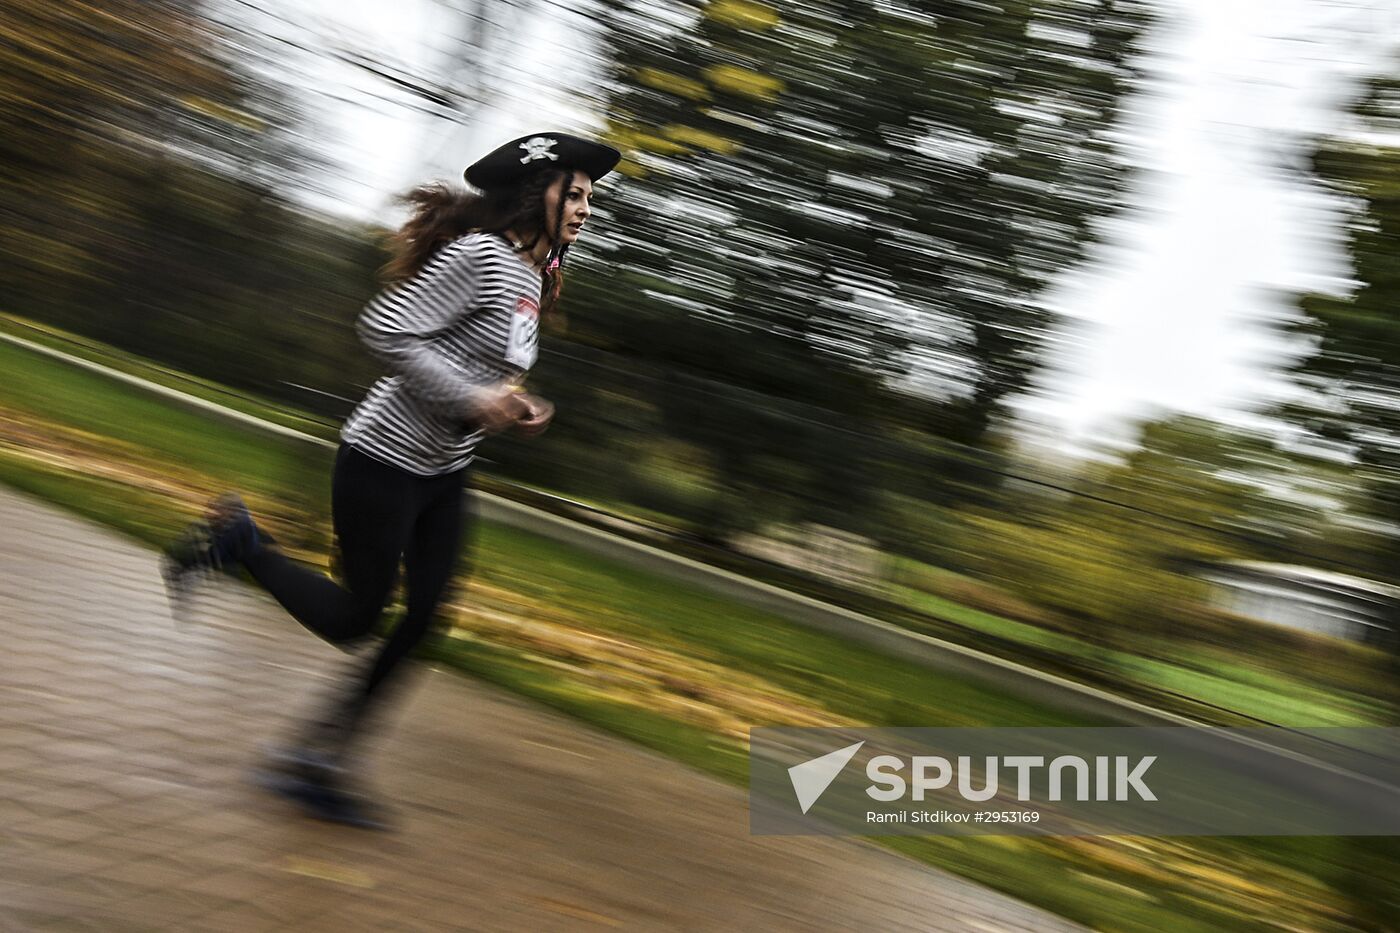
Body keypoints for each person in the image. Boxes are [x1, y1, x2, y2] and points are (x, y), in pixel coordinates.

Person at [162, 132, 620, 827]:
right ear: (537, 193)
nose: (587, 209)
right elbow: (384, 329)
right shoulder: (480, 256)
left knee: (426, 616)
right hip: (383, 459)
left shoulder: (532, 277)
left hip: (445, 469)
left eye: (591, 198)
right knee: (356, 619)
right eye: (577, 194)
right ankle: (242, 541)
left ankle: (320, 758)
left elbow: (479, 364)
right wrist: (473, 400)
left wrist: (514, 402)